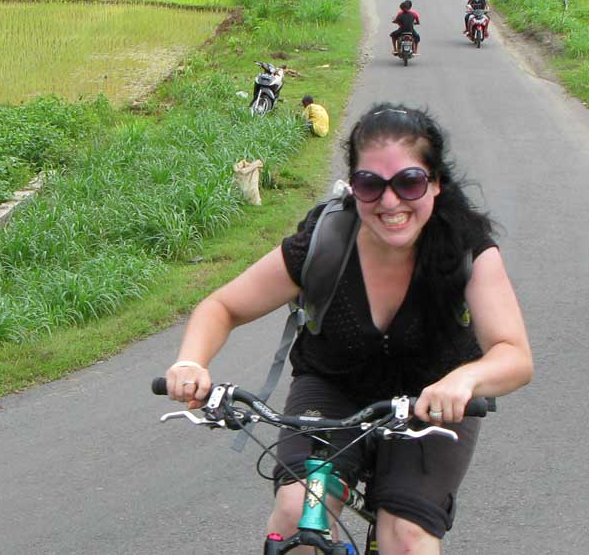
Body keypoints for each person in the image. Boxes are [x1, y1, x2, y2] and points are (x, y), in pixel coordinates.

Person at [162, 104, 534, 555]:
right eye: (370, 185)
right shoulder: (325, 243)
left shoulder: (466, 250)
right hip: (332, 389)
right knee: (298, 516)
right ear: (354, 186)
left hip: (433, 402)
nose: (390, 202)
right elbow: (222, 306)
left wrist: (465, 380)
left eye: (410, 182)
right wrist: (190, 361)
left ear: (435, 183)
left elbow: (513, 354)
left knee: (407, 537)